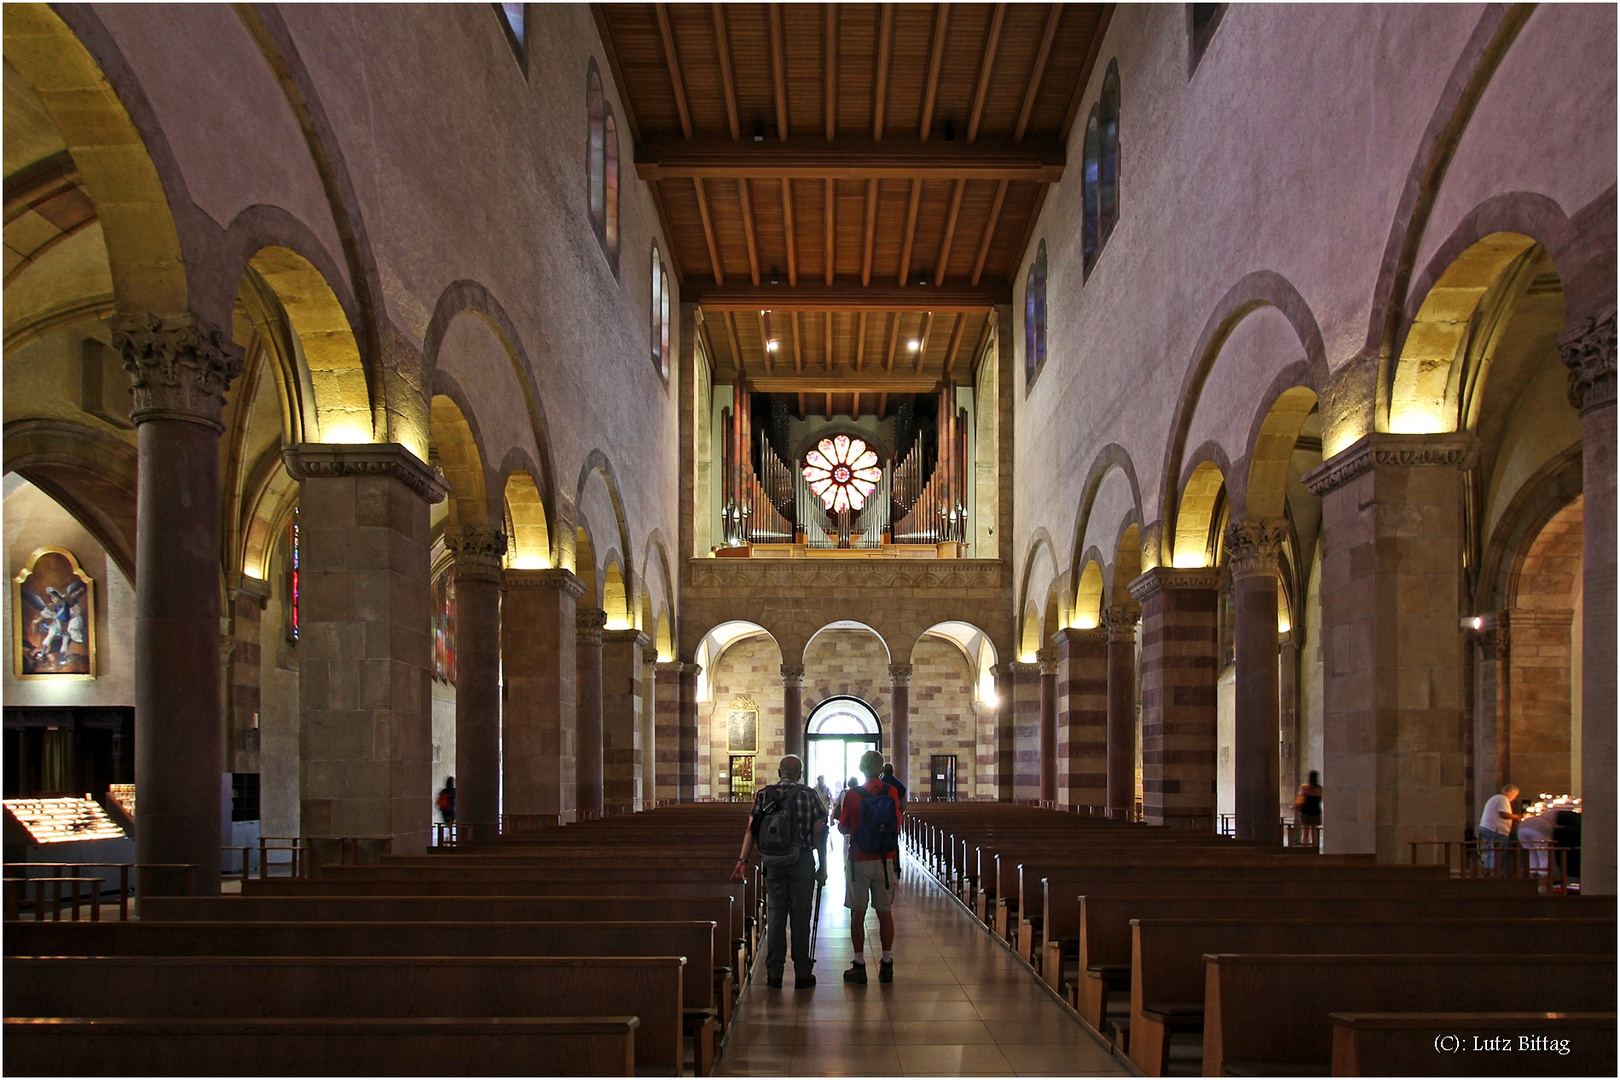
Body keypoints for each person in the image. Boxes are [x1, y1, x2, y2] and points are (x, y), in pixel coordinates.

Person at [735, 754, 828, 989]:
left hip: (773, 862)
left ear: (779, 773)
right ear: (800, 774)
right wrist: (823, 864)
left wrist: (743, 860)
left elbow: (750, 830)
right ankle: (802, 972)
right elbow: (819, 832)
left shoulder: (764, 794)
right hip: (802, 861)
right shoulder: (809, 794)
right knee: (800, 914)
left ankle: (774, 974)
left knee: (776, 914)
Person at [836, 749, 902, 984]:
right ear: (881, 768)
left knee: (858, 913)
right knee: (885, 913)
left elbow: (843, 826)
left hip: (859, 860)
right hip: (885, 859)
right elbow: (897, 822)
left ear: (862, 769)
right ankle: (886, 964)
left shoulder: (853, 794)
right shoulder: (891, 791)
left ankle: (859, 965)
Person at [1477, 783, 1521, 872]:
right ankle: (1495, 874)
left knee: (1490, 851)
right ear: (1508, 792)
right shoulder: (1503, 798)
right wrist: (1518, 816)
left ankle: (1488, 872)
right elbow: (1503, 814)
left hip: (1487, 827)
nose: (1514, 798)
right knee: (1497, 852)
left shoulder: (1495, 798)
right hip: (1496, 830)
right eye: (1514, 795)